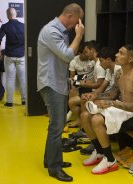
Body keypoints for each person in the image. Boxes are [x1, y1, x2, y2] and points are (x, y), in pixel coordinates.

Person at [80, 45, 133, 174]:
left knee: (96, 120)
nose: (116, 55)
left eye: (121, 53)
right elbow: (112, 94)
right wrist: (94, 95)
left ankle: (110, 160)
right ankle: (100, 152)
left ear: (130, 59)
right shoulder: (118, 73)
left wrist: (111, 103)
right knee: (84, 116)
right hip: (120, 109)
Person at [37, 3, 85, 182]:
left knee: (54, 127)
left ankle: (49, 160)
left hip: (56, 83)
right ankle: (54, 168)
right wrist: (79, 35)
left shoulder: (59, 31)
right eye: (76, 23)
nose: (75, 27)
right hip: (51, 85)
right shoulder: (51, 31)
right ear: (70, 16)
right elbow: (67, 55)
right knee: (57, 128)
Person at [79, 46, 121, 155]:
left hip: (119, 103)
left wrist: (96, 97)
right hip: (111, 100)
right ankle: (98, 149)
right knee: (84, 114)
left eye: (101, 61)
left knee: (94, 118)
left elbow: (113, 95)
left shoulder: (118, 70)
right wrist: (91, 94)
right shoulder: (109, 70)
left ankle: (106, 154)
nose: (100, 64)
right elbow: (102, 88)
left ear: (108, 60)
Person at [67, 40, 105, 128]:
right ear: (79, 53)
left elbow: (99, 83)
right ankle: (79, 120)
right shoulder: (74, 61)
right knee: (71, 83)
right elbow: (72, 77)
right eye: (84, 53)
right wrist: (82, 82)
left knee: (74, 101)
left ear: (92, 50)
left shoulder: (98, 64)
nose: (86, 54)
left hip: (92, 86)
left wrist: (85, 84)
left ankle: (83, 124)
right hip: (83, 79)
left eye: (87, 52)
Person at [0, 8, 26, 108]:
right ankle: (24, 101)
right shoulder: (23, 26)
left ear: (7, 15)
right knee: (23, 79)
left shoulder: (5, 26)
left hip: (9, 56)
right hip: (21, 56)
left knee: (9, 79)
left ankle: (9, 102)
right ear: (16, 14)